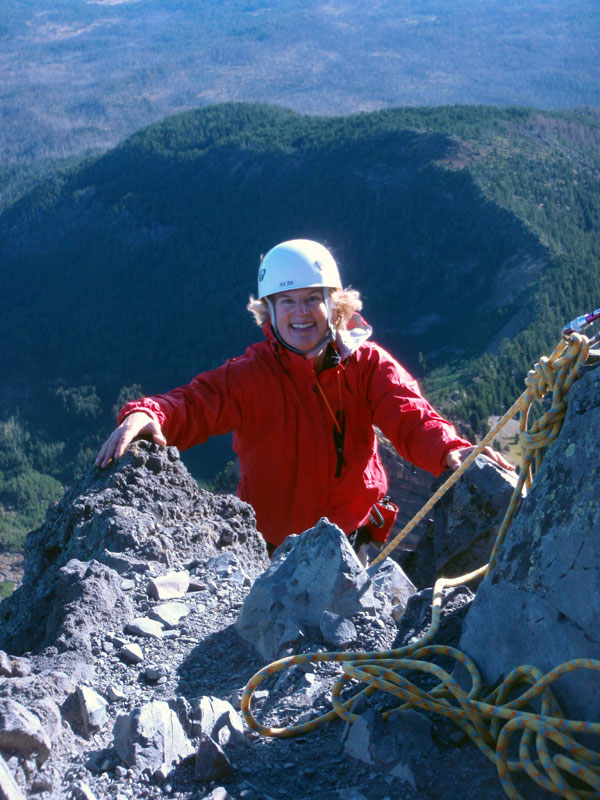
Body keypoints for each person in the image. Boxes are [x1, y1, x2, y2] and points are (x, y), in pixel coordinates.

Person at [96, 239, 513, 551]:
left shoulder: (366, 364)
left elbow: (409, 413)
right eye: (287, 302)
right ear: (269, 312)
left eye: (313, 299)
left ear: (334, 305)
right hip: (271, 549)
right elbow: (194, 403)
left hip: (351, 541)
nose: (300, 312)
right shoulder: (250, 375)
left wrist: (451, 450)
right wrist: (148, 413)